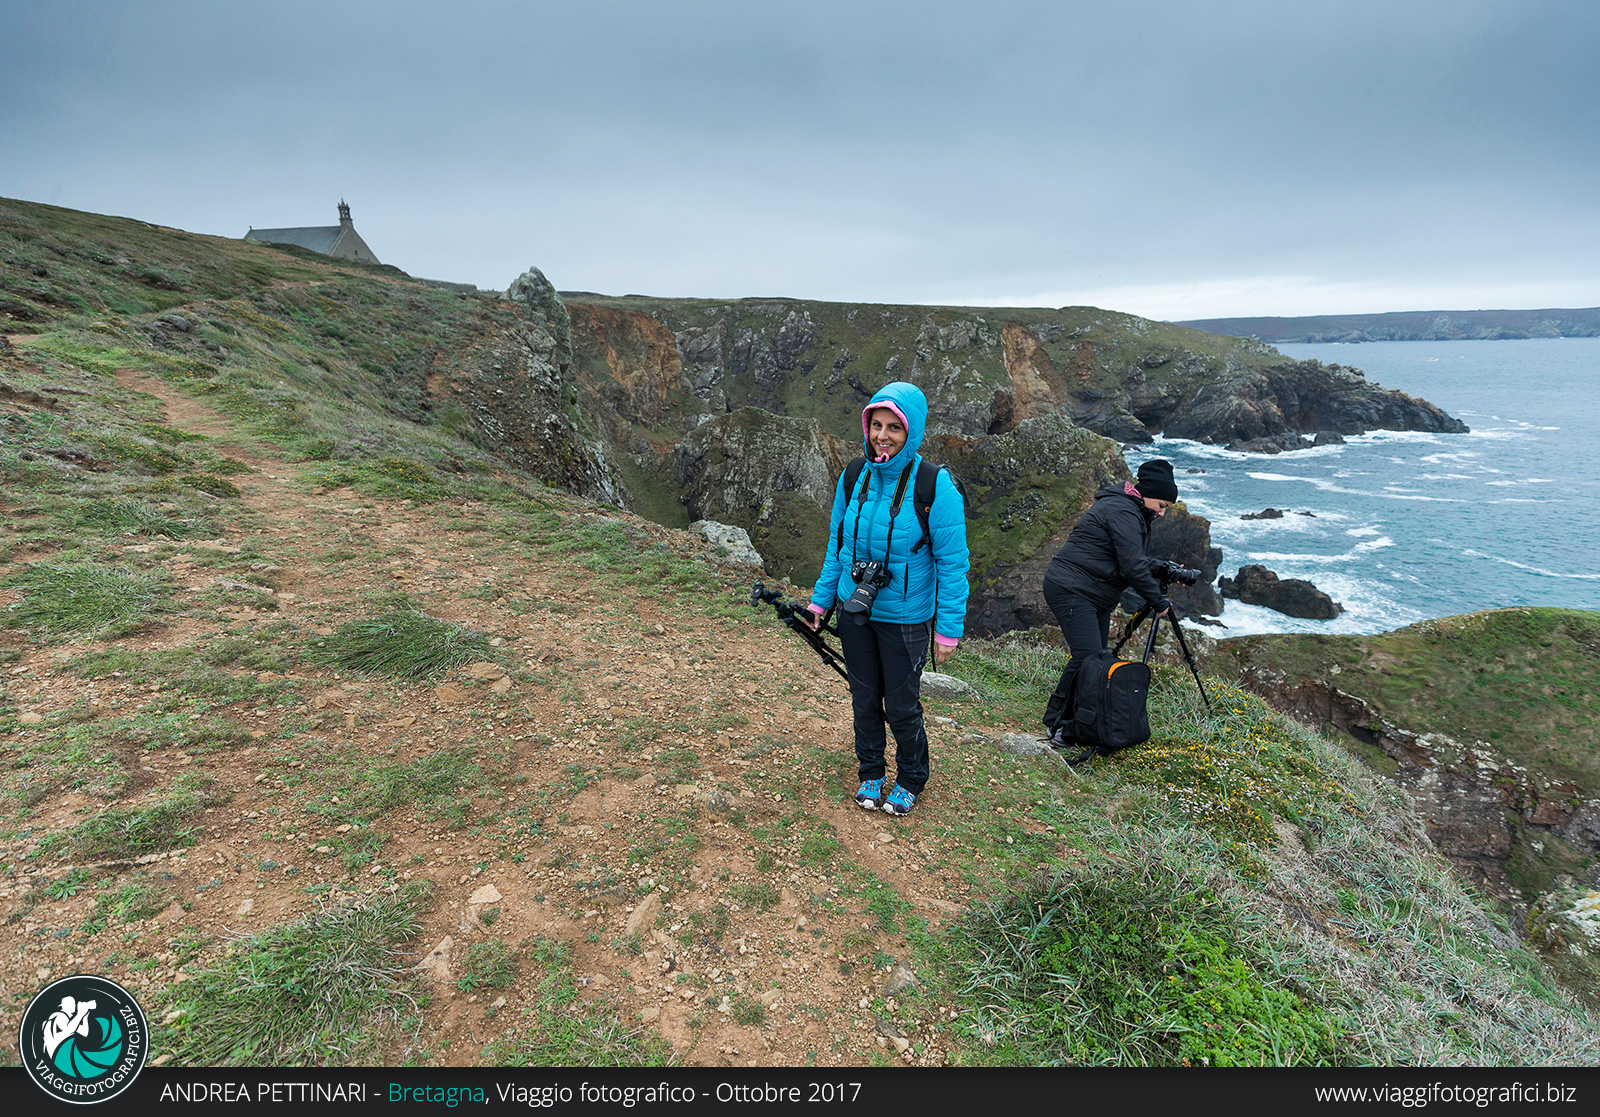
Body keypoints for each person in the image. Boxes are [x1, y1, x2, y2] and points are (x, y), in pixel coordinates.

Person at [801, 382, 969, 817]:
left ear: (911, 432)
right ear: (866, 425)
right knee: (863, 697)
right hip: (856, 607)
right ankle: (871, 771)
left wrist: (948, 630)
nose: (883, 436)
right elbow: (837, 543)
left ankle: (912, 777)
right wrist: (820, 603)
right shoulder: (854, 475)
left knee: (901, 704)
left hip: (905, 618)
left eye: (895, 427)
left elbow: (953, 565)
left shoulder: (936, 486)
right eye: (877, 425)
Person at [1040, 458, 1178, 748]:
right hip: (1072, 589)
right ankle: (1059, 724)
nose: (1162, 513)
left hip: (1092, 592)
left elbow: (1124, 556)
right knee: (1088, 658)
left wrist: (1161, 568)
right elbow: (1130, 565)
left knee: (1096, 658)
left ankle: (1081, 721)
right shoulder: (1122, 510)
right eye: (1162, 505)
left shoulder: (1130, 509)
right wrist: (1157, 600)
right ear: (1148, 493)